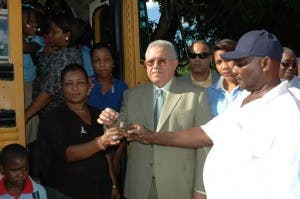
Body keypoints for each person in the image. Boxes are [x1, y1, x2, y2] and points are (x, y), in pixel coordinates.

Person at [125, 30, 300, 199]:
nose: (234, 70)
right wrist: (152, 136)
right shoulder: (245, 99)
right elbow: (205, 133)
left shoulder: (289, 113)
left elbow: (289, 187)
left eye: (241, 64)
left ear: (266, 63)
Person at [99, 40, 211, 199]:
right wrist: (111, 123)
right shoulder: (132, 95)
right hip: (140, 186)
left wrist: (201, 188)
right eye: (150, 62)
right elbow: (121, 131)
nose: (155, 66)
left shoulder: (197, 95)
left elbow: (204, 145)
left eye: (162, 60)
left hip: (179, 185)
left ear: (175, 64)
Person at [37, 63, 120, 199]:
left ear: (88, 85)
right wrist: (101, 141)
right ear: (62, 88)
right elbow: (68, 154)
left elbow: (106, 156)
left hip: (100, 190)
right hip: (66, 191)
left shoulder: (97, 113)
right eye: (69, 84)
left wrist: (114, 185)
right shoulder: (53, 118)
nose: (75, 88)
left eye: (80, 83)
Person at [87, 42, 128, 198]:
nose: (102, 64)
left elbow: (125, 126)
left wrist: (117, 158)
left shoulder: (122, 88)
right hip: (91, 148)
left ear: (113, 62)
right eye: (96, 60)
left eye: (106, 59)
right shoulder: (85, 85)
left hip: (115, 149)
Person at [26, 13, 82, 121]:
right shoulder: (62, 51)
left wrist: (25, 116)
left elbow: (48, 93)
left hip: (57, 117)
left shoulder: (65, 57)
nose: (50, 35)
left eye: (55, 32)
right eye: (50, 31)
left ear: (67, 35)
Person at [207, 39, 243, 117]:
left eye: (228, 59)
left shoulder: (251, 89)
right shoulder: (210, 92)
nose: (224, 67)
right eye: (219, 62)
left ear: (238, 59)